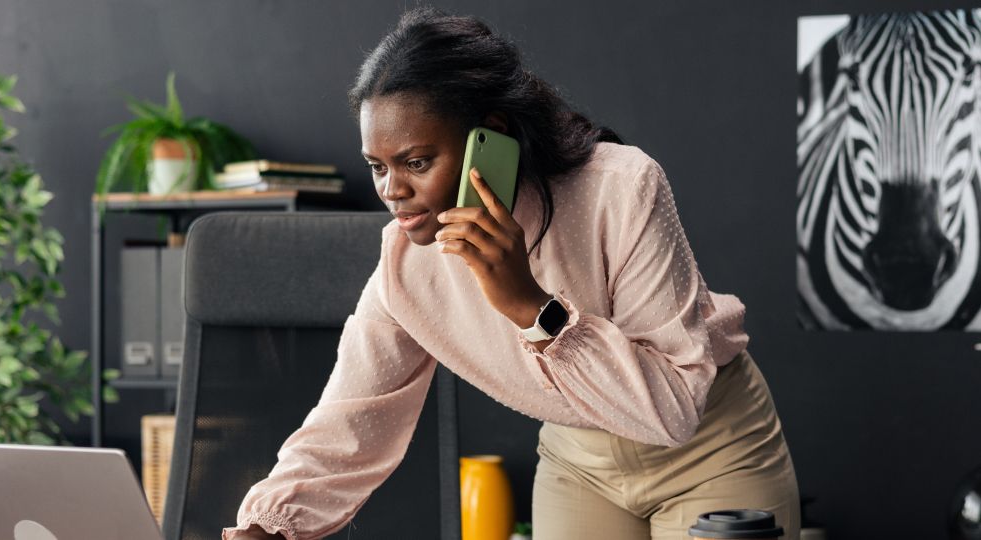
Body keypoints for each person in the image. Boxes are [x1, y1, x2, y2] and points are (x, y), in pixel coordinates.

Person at [226, 7, 799, 540]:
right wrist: (267, 526)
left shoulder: (621, 188)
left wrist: (530, 305)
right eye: (378, 166)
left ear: (490, 134)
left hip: (711, 448)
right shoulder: (406, 264)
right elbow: (349, 420)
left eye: (417, 162)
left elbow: (672, 411)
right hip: (580, 467)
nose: (392, 192)